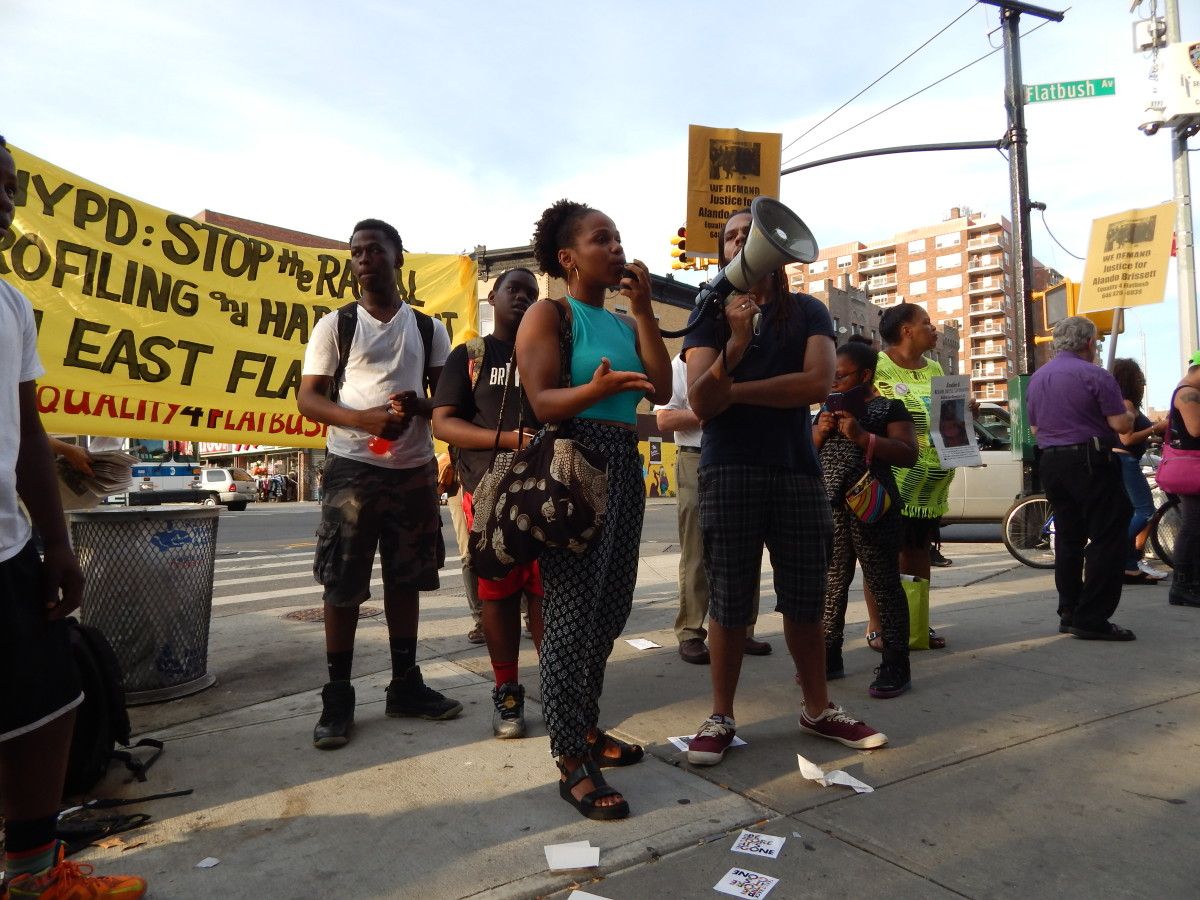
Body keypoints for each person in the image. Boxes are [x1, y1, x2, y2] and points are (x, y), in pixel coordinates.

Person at [684, 207, 887, 769]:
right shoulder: (708, 313)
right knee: (730, 598)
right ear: (722, 253)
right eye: (730, 237)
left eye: (748, 234)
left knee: (804, 595)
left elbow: (816, 383)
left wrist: (735, 391)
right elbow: (700, 401)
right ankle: (721, 715)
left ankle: (817, 708)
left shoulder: (810, 312)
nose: (739, 242)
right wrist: (736, 343)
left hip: (797, 468)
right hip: (729, 468)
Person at [0, 136, 146, 897]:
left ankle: (33, 875)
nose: (5, 202)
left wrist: (55, 545)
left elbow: (26, 435)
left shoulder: (11, 306)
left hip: (10, 547)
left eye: (11, 189)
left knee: (48, 704)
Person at [516, 199, 671, 820]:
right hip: (573, 469)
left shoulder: (627, 323)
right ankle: (568, 758)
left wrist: (645, 311)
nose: (616, 248)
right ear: (568, 257)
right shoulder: (549, 314)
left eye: (618, 238)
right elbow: (542, 402)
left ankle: (584, 724)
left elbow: (661, 388)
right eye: (601, 239)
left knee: (609, 610)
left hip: (624, 467)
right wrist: (594, 391)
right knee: (571, 614)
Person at [297, 218, 459, 750]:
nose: (364, 259)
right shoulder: (336, 325)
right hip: (352, 470)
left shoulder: (429, 329)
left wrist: (421, 406)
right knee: (342, 582)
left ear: (398, 257)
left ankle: (405, 684)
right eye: (357, 252)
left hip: (413, 470)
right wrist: (362, 420)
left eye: (375, 250)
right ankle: (338, 694)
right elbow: (308, 399)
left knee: (406, 579)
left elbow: (445, 402)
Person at [432, 267, 544, 739]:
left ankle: (557, 686)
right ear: (492, 297)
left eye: (531, 293)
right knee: (497, 593)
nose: (522, 298)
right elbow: (443, 423)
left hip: (545, 492)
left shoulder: (549, 353)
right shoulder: (470, 355)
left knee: (545, 591)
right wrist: (507, 439)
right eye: (513, 289)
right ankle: (507, 691)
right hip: (487, 491)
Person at [815, 340, 918, 698]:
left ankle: (896, 663)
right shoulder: (825, 409)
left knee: (883, 583)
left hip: (873, 508)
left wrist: (863, 437)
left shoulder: (889, 407)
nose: (833, 383)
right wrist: (819, 432)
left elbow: (908, 453)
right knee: (832, 583)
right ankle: (829, 655)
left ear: (865, 376)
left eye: (841, 377)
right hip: (833, 509)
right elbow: (807, 454)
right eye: (831, 377)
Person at [653, 354, 771, 665]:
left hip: (745, 454)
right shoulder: (683, 363)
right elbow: (664, 419)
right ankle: (691, 632)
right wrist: (709, 410)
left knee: (747, 546)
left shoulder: (749, 357)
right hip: (697, 455)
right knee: (697, 547)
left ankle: (743, 629)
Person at [1027, 316, 1134, 640]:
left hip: (1051, 461)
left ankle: (1069, 610)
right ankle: (1092, 616)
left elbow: (1035, 428)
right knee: (1108, 534)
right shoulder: (1095, 374)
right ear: (1089, 342)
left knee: (1069, 537)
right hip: (1090, 460)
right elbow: (1121, 425)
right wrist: (1129, 412)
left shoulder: (1039, 378)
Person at [871, 302, 951, 650]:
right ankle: (880, 628)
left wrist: (962, 412)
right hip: (890, 476)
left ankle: (917, 624)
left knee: (918, 551)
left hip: (928, 484)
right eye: (927, 323)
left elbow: (945, 418)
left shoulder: (935, 368)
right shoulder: (877, 366)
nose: (934, 330)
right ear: (907, 331)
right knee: (884, 555)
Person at [1111, 358, 1169, 583]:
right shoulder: (1126, 404)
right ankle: (1113, 548)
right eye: (1140, 380)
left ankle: (1128, 563)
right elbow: (1127, 439)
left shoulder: (1125, 404)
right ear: (1129, 381)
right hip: (1126, 460)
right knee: (1146, 511)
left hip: (1125, 460)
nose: (1143, 384)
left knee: (1128, 512)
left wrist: (1154, 436)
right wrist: (1156, 427)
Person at [1165, 352, 1200, 608]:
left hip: (1192, 467)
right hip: (1193, 468)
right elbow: (1196, 429)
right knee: (1193, 526)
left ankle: (1190, 583)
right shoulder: (1188, 393)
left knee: (1195, 526)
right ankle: (1183, 585)